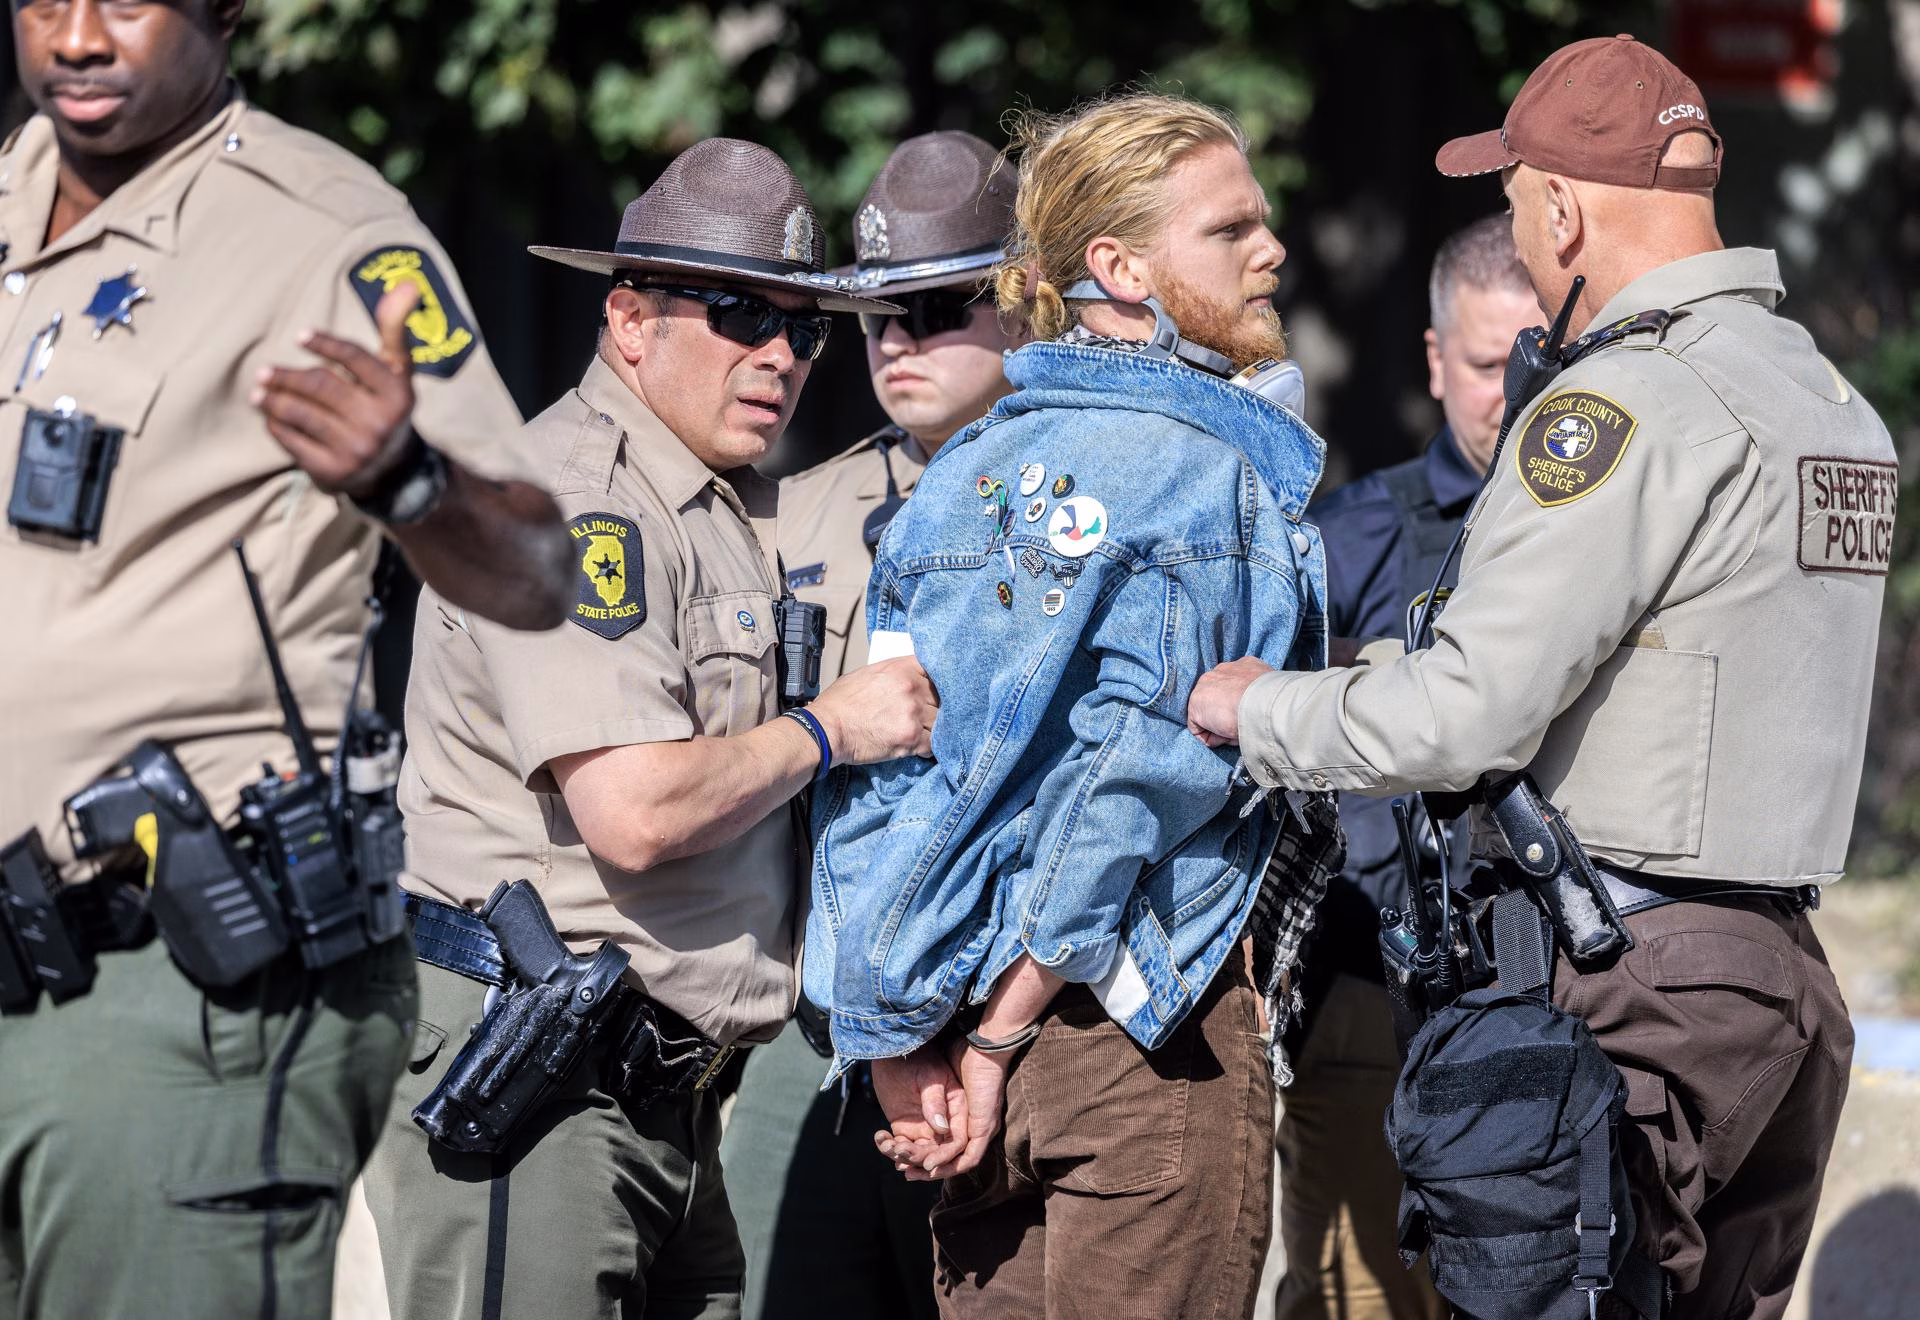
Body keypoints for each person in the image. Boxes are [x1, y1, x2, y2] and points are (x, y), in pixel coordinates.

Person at [1189, 35, 1888, 1320]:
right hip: (1778, 984)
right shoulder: (1823, 397)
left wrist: (1257, 707)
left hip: (1634, 981)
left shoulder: (1625, 403)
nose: (1517, 234)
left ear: (1562, 208)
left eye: (1514, 203)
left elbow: (1471, 712)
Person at [0, 0, 573, 1314]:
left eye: (125, 2)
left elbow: (539, 571)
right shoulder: (7, 199)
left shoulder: (325, 233)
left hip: (171, 988)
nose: (75, 37)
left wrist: (406, 476)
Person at [360, 136, 940, 1320]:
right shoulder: (580, 502)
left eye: (805, 331)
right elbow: (632, 809)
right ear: (630, 321)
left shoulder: (714, 502)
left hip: (661, 1098)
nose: (779, 355)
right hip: (539, 1082)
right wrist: (830, 728)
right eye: (740, 315)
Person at [807, 91, 1330, 1319]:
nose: (1271, 251)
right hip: (1140, 1035)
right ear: (1121, 269)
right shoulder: (1211, 473)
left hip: (952, 1053)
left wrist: (896, 1038)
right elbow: (1128, 780)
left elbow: (879, 775)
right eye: (1230, 230)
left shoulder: (956, 475)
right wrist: (1000, 1032)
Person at [721, 129, 1022, 1320]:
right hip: (826, 1030)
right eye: (875, 315)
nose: (897, 341)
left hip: (1012, 1030)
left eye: (937, 309)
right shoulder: (794, 514)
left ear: (1025, 302)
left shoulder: (1095, 500)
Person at [1268, 215, 1534, 1320]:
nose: (1517, 397)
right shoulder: (1351, 536)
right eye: (1486, 365)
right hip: (1370, 1002)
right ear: (1434, 360)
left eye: (1540, 362)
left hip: (1549, 1006)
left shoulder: (1619, 536)